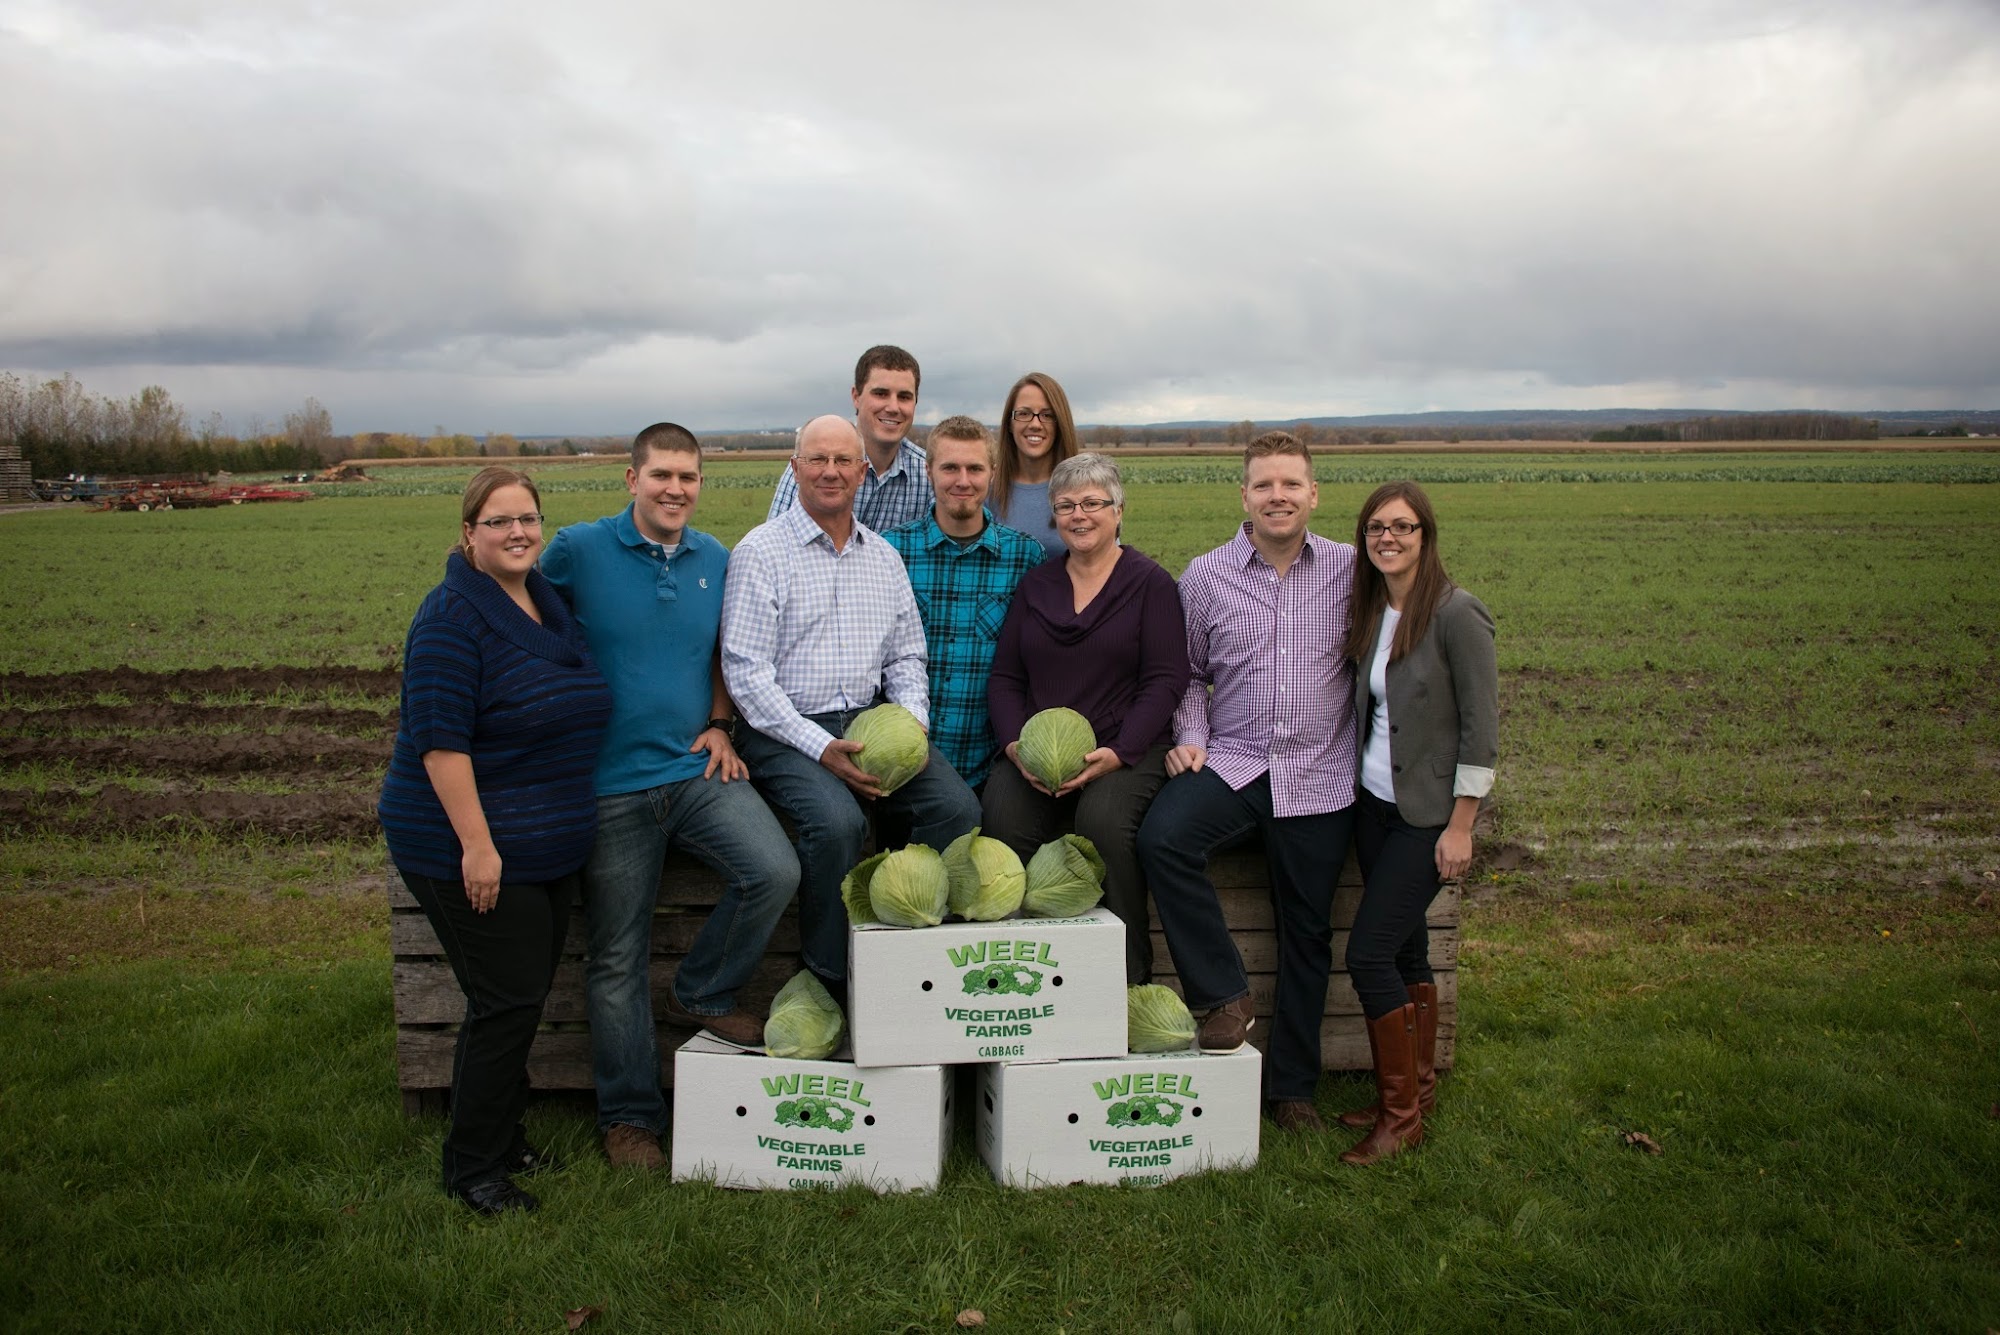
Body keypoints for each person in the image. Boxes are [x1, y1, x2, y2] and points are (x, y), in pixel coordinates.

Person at [539, 423, 800, 1172]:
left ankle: (704, 988)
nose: (676, 488)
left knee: (774, 870)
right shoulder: (578, 550)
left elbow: (730, 653)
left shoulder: (716, 559)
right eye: (661, 475)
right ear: (631, 478)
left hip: (692, 770)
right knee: (616, 956)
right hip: (608, 787)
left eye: (689, 476)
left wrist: (721, 722)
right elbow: (514, 608)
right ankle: (630, 1118)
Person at [377, 466, 612, 1214]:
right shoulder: (450, 616)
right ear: (468, 533)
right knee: (505, 999)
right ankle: (472, 1167)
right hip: (469, 845)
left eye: (528, 519)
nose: (516, 532)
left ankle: (502, 1135)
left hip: (542, 842)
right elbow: (442, 747)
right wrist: (477, 846)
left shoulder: (544, 602)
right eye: (498, 521)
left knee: (518, 995)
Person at [1136, 432, 1358, 1132]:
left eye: (1291, 484)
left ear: (1313, 493)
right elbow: (1184, 674)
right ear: (1245, 495)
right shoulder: (1205, 576)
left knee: (1307, 931)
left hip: (1321, 774)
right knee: (1162, 838)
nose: (1278, 496)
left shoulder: (1352, 573)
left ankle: (1292, 1090)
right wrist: (1193, 736)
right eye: (1264, 485)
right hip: (1235, 762)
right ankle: (1224, 993)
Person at [723, 415, 981, 997]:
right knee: (837, 822)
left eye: (844, 461)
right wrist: (821, 747)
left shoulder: (882, 558)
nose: (831, 472)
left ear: (864, 472)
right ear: (795, 469)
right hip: (784, 730)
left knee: (955, 808)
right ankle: (828, 981)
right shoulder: (760, 553)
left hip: (868, 724)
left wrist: (911, 728)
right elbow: (747, 676)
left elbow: (907, 657)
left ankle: (917, 962)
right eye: (817, 459)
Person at [1336, 480, 1497, 1166]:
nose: (1388, 539)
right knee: (1406, 952)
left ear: (1425, 535)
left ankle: (1400, 1119)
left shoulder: (1458, 614)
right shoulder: (1376, 609)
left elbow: (1482, 732)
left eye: (1402, 527)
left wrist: (1460, 826)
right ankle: (1414, 1094)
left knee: (1368, 953)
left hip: (1426, 819)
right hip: (1374, 805)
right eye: (1376, 528)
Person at [983, 453, 1190, 982]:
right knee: (1003, 816)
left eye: (1094, 503)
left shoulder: (1150, 584)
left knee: (1102, 821)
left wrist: (1119, 752)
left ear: (1118, 511)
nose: (1080, 515)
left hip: (1126, 748)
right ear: (1054, 514)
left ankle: (1126, 976)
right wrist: (1014, 747)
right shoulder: (1037, 586)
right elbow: (1006, 679)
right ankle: (1023, 973)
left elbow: (1166, 679)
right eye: (1067, 505)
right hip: (1038, 754)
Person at [882, 415, 1044, 790]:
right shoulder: (890, 552)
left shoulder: (1024, 556)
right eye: (950, 467)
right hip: (906, 760)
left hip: (993, 762)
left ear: (992, 473)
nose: (963, 480)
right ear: (928, 471)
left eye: (974, 468)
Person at [765, 345, 933, 530]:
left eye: (904, 397)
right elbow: (775, 540)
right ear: (856, 397)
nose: (893, 407)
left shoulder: (928, 474)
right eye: (880, 394)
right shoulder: (812, 464)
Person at [989, 372, 1080, 558]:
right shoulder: (987, 489)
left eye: (1047, 415)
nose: (1035, 424)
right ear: (1009, 423)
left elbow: (1108, 564)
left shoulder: (1085, 488)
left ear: (1060, 423)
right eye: (1024, 414)